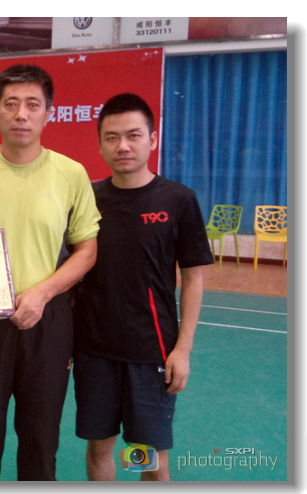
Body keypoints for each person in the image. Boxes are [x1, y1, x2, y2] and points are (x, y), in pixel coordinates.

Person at [0, 64, 101, 481]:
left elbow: (87, 251)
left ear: (49, 112)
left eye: (32, 104)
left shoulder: (71, 174)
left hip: (47, 320)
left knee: (40, 442)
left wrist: (42, 294)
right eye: (11, 104)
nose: (21, 114)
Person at [71, 93, 214, 481]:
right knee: (100, 447)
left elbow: (194, 278)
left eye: (133, 135)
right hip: (94, 353)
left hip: (151, 354)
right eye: (112, 137)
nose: (123, 146)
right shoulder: (88, 199)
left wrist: (182, 350)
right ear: (100, 143)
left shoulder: (178, 200)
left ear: (152, 139)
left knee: (146, 456)